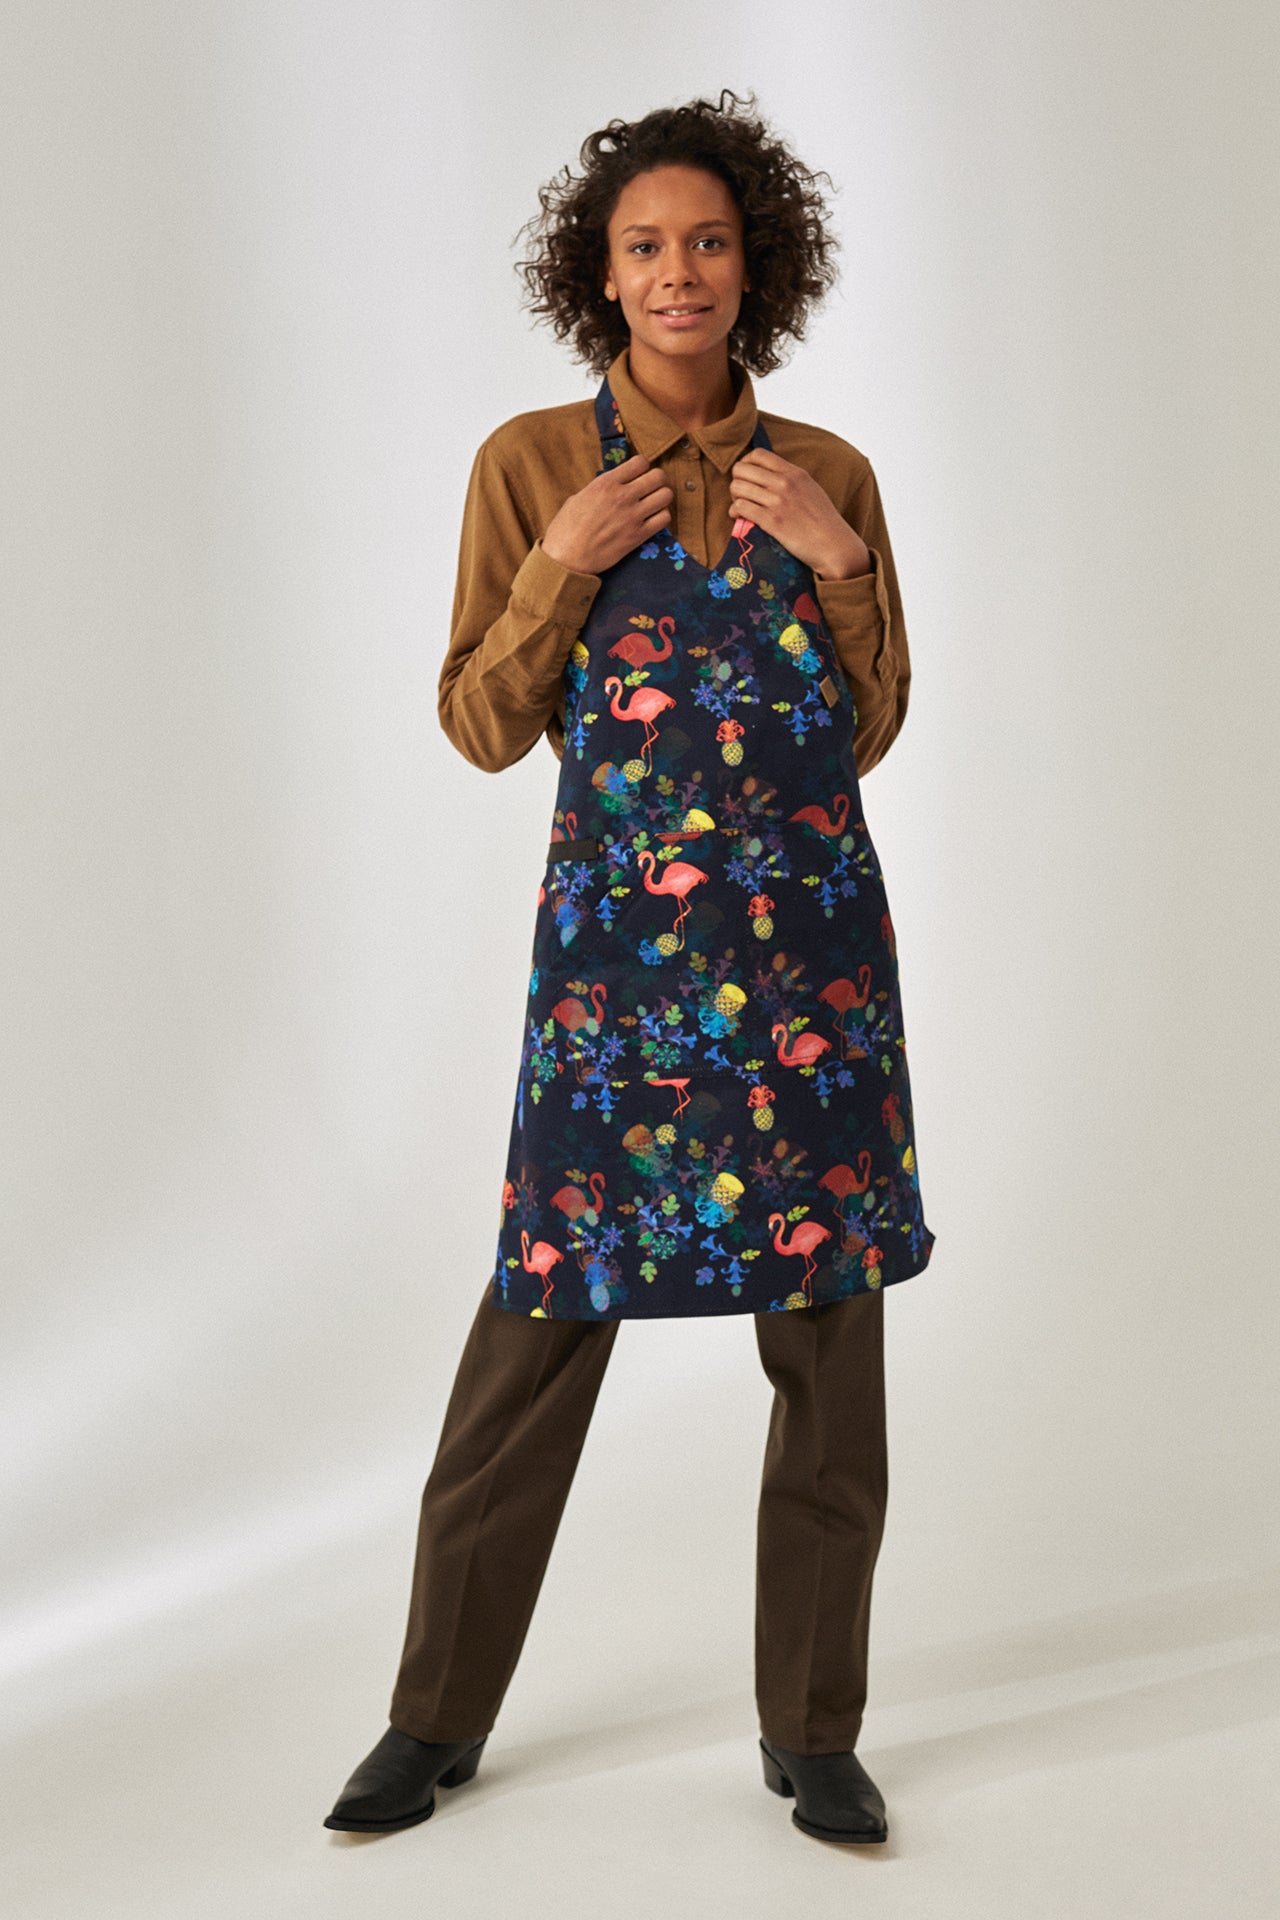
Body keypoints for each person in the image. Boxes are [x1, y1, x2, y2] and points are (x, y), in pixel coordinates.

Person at [324, 89, 936, 1848]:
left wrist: (837, 564)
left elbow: (870, 729)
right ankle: (434, 1716)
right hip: (615, 994)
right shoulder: (532, 464)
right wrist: (558, 567)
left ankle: (814, 1730)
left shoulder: (833, 475)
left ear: (758, 265)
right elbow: (478, 723)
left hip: (811, 974)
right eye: (646, 246)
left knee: (830, 1353)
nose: (681, 272)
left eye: (710, 241)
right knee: (535, 1335)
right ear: (600, 274)